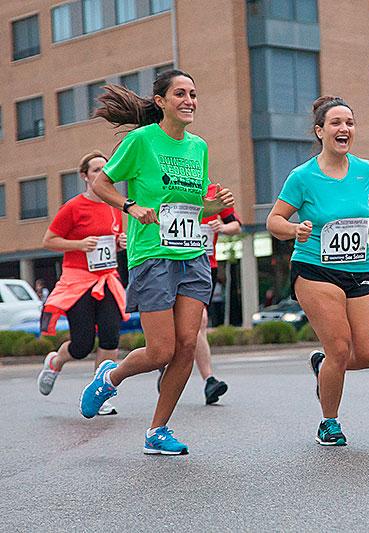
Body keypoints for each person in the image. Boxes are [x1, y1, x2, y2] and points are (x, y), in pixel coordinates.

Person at [79, 70, 235, 455]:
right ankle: (110, 377)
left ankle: (157, 430)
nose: (189, 100)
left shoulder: (198, 147)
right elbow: (102, 184)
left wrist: (213, 207)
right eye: (180, 94)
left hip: (193, 255)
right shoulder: (141, 140)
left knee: (187, 346)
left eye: (193, 94)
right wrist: (131, 206)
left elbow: (193, 205)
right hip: (153, 255)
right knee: (161, 351)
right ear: (161, 101)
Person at [267, 96, 369, 446]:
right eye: (336, 123)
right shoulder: (303, 176)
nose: (344, 128)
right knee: (339, 347)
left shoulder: (365, 170)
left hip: (358, 266)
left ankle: (324, 368)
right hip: (315, 269)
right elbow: (274, 220)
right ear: (320, 131)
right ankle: (329, 422)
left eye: (349, 122)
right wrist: (294, 229)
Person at [37, 151, 127, 416]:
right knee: (82, 345)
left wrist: (120, 244)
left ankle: (100, 393)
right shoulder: (73, 207)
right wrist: (78, 244)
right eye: (96, 170)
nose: (101, 174)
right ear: (84, 176)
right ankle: (56, 361)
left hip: (107, 279)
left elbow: (112, 243)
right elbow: (49, 240)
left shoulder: (115, 206)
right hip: (79, 281)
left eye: (105, 169)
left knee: (110, 338)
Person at [195, 183, 241, 403]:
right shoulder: (175, 185)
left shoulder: (215, 191)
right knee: (188, 324)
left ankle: (209, 381)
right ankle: (165, 361)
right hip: (176, 262)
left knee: (199, 321)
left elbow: (236, 226)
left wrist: (221, 227)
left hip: (207, 266)